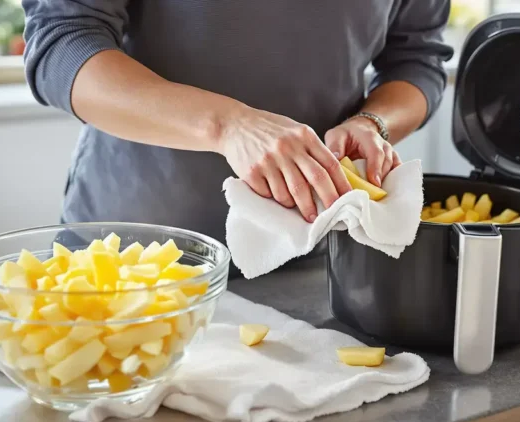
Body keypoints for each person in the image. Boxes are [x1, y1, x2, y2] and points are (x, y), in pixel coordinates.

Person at [22, 1, 453, 276]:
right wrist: (228, 125)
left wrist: (373, 121)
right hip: (131, 258)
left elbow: (416, 59)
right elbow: (63, 43)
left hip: (315, 262)